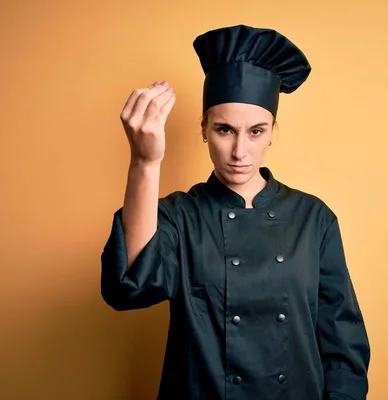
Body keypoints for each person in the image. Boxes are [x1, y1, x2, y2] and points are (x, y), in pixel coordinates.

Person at [101, 24, 370, 400]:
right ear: (204, 129)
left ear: (274, 130)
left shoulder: (314, 219)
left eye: (256, 131)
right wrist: (145, 163)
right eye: (225, 129)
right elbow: (129, 288)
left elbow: (343, 345)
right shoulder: (179, 216)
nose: (240, 151)